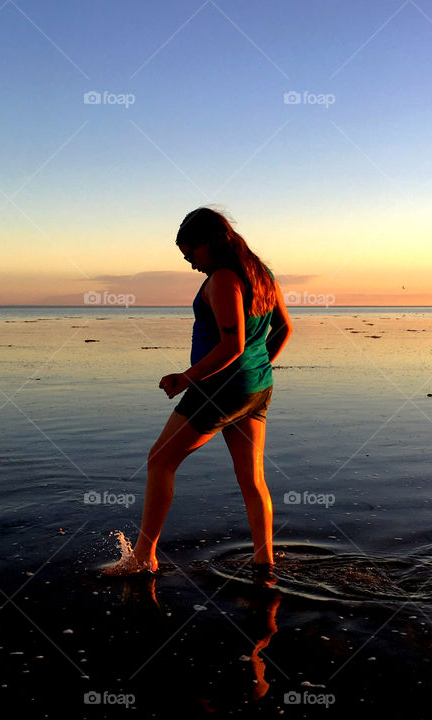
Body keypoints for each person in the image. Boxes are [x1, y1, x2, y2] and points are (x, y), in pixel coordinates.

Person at [103, 207, 293, 576]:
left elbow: (232, 344)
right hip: (256, 389)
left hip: (217, 390)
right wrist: (256, 369)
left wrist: (186, 377)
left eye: (191, 254)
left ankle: (144, 557)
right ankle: (263, 561)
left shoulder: (223, 279)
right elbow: (284, 328)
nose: (190, 263)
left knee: (160, 462)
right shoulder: (261, 274)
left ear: (210, 242)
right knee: (252, 478)